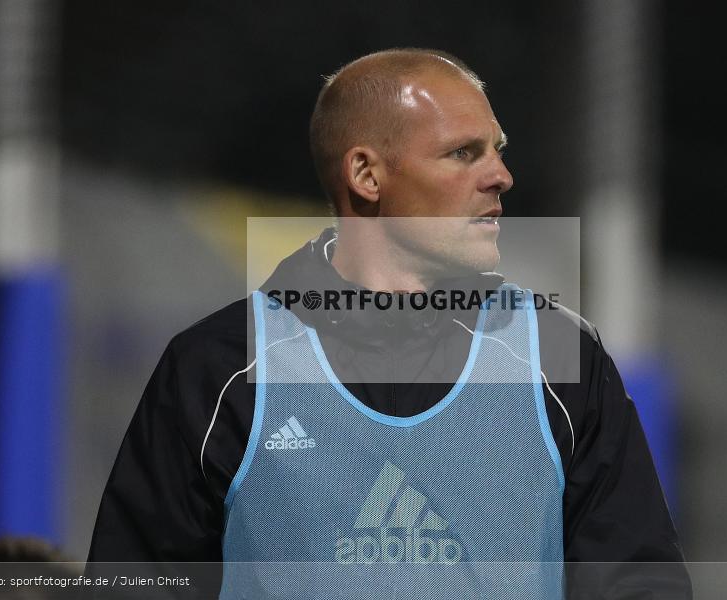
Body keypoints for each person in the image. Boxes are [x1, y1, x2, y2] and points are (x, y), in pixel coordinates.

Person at [89, 48, 690, 598]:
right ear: (366, 176)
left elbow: (639, 584)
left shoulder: (562, 357)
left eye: (497, 151)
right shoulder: (217, 368)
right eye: (464, 153)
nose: (501, 176)